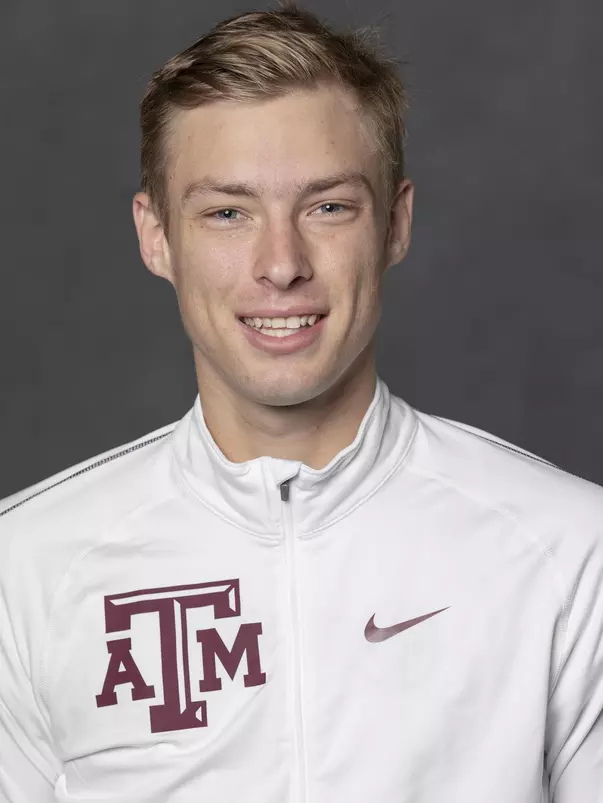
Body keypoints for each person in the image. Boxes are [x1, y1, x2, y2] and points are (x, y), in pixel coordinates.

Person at [1, 3, 601, 801]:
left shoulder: (568, 549)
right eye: (226, 212)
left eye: (327, 206)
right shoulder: (27, 569)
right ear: (155, 237)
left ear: (394, 223)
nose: (279, 264)